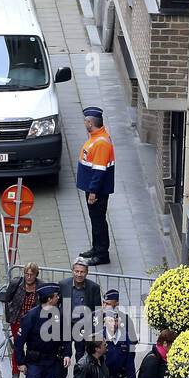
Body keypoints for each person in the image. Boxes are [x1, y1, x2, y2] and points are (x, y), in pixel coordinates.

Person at [76, 105, 116, 266]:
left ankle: (101, 254)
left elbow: (99, 170)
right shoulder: (98, 137)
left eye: (86, 121)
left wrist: (93, 192)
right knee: (95, 220)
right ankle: (96, 247)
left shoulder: (100, 143)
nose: (84, 123)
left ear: (90, 123)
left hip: (97, 191)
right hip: (94, 189)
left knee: (98, 221)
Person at [14, 284, 70, 378]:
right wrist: (20, 362)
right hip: (35, 362)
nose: (58, 298)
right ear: (49, 299)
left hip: (52, 361)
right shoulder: (31, 316)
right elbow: (19, 341)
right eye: (56, 296)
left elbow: (66, 335)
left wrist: (67, 354)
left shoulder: (59, 315)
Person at [0, 262, 40, 378]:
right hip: (18, 321)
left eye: (31, 274)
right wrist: (11, 315)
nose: (29, 277)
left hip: (32, 323)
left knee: (32, 347)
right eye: (26, 274)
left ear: (36, 275)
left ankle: (28, 369)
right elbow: (8, 299)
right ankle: (15, 371)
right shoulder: (17, 284)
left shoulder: (40, 287)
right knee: (18, 347)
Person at [58, 260, 102, 378]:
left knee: (81, 355)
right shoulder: (63, 284)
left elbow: (97, 311)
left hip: (84, 327)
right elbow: (57, 304)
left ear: (87, 273)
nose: (79, 274)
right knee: (64, 353)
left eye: (82, 272)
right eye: (76, 271)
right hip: (67, 326)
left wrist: (96, 332)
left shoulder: (93, 288)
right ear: (72, 271)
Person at [101, 290, 137, 378]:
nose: (104, 306)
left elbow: (132, 346)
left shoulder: (126, 320)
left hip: (119, 372)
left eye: (107, 303)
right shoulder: (96, 318)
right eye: (103, 302)